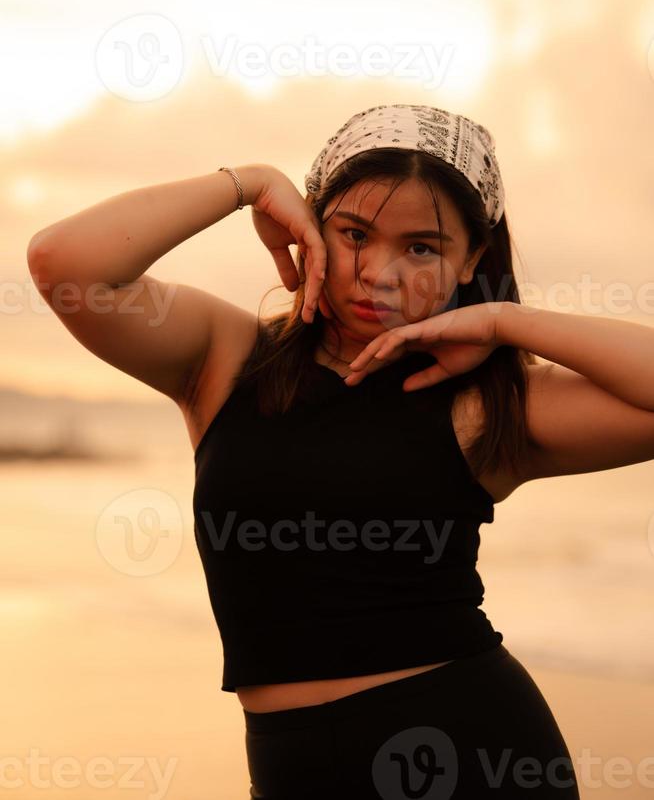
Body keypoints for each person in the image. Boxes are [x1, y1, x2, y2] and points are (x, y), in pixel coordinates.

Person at [28, 103, 654, 798]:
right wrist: (250, 184)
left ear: (471, 258)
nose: (379, 273)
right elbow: (64, 263)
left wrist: (507, 319)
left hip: (474, 757)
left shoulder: (485, 405)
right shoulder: (228, 357)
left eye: (422, 248)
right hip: (290, 771)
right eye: (354, 233)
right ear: (311, 224)